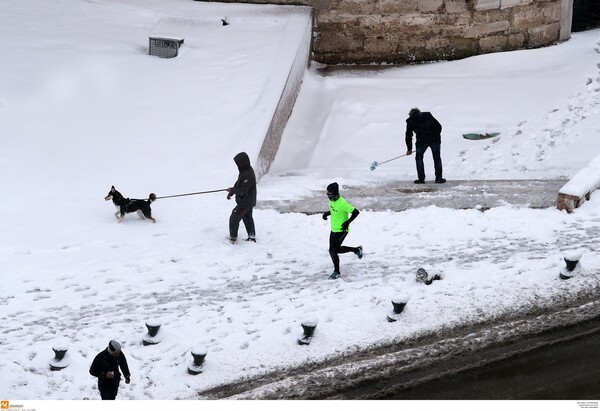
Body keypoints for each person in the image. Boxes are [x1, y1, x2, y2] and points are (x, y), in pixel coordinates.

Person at [322, 182, 363, 279]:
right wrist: (326, 214)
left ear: (335, 193)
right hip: (334, 229)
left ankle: (337, 271)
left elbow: (356, 212)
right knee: (334, 250)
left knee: (332, 250)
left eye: (330, 194)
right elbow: (334, 210)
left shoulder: (342, 203)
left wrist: (348, 222)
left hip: (342, 230)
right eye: (327, 193)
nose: (328, 195)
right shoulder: (332, 201)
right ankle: (356, 249)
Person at [405, 107, 446, 184]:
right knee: (437, 157)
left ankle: (421, 179)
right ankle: (439, 178)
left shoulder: (410, 120)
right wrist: (436, 135)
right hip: (434, 139)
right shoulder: (427, 115)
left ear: (411, 115)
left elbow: (408, 135)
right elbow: (439, 126)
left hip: (421, 141)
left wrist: (409, 149)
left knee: (419, 158)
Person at [227, 152, 257, 244]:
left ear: (243, 162)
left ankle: (233, 239)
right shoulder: (244, 171)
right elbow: (239, 183)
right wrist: (232, 191)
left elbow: (243, 190)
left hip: (246, 201)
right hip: (248, 200)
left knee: (234, 217)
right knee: (247, 217)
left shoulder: (248, 174)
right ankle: (251, 237)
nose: (237, 165)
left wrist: (233, 190)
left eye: (238, 163)